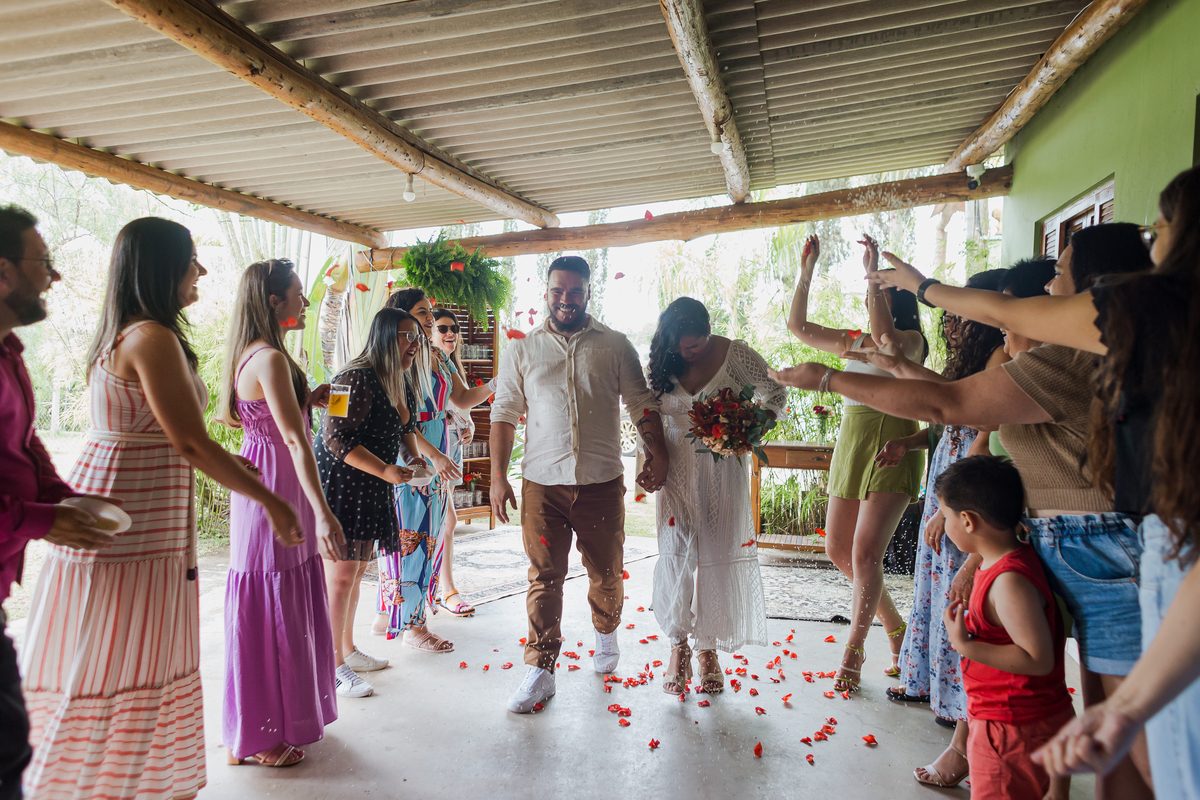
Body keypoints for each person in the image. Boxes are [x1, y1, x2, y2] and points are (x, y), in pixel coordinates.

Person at [779, 224, 1155, 797]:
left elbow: (946, 401)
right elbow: (950, 375)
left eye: (1062, 270)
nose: (1052, 280)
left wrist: (830, 378)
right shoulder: (1056, 354)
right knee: (1098, 724)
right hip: (1057, 541)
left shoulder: (1070, 360)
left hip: (1097, 546)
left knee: (1126, 736)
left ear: (1093, 288)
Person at [20, 217, 301, 800]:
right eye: (191, 260)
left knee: (112, 656)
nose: (199, 271)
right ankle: (106, 782)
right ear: (160, 267)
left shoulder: (125, 333)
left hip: (132, 511)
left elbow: (173, 434)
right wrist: (271, 500)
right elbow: (190, 442)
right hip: (133, 527)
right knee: (122, 657)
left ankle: (117, 781)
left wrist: (234, 467)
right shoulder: (150, 336)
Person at [1022, 166, 1200, 798]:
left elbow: (949, 405)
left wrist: (926, 288)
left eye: (1163, 230)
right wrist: (1124, 712)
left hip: (1131, 550)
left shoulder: (1125, 328)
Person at [490, 255, 669, 713]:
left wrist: (657, 451)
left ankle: (606, 634)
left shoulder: (615, 346)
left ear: (589, 292)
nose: (565, 300)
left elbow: (640, 403)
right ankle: (540, 668)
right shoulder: (523, 350)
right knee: (544, 577)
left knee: (606, 573)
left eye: (574, 292)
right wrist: (496, 478)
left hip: (600, 484)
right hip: (541, 485)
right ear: (545, 292)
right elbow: (504, 415)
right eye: (557, 291)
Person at [868, 268, 1009, 786]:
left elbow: (974, 429)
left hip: (968, 500)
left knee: (961, 596)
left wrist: (948, 509)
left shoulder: (1000, 359)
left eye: (959, 311)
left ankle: (959, 704)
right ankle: (939, 691)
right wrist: (910, 443)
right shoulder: (969, 361)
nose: (950, 321)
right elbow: (945, 421)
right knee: (937, 591)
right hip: (947, 492)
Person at [0, 206, 117, 800]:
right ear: (2, 274)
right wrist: (45, 521)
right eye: (43, 263)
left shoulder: (9, 351)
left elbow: (22, 444)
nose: (55, 276)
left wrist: (66, 499)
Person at [785, 233, 927, 691]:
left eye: (881, 291)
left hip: (893, 442)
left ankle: (854, 650)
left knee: (866, 554)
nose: (872, 298)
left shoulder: (910, 342)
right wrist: (806, 273)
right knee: (838, 550)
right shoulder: (858, 343)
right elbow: (799, 328)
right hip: (853, 444)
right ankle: (896, 628)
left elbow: (887, 339)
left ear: (894, 298)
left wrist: (872, 276)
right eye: (872, 291)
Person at [217, 258, 344, 767]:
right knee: (268, 604)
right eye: (297, 292)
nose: (305, 300)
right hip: (273, 486)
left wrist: (308, 398)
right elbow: (292, 438)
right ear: (273, 301)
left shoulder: (261, 355)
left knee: (276, 602)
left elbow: (275, 420)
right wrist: (323, 510)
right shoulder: (268, 358)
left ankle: (258, 728)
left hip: (266, 478)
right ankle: (258, 737)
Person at [646, 297, 787, 694]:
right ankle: (678, 645)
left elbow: (775, 392)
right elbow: (646, 412)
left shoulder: (735, 354)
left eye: (702, 341)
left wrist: (752, 428)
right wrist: (651, 454)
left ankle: (708, 649)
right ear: (670, 342)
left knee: (716, 555)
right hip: (676, 471)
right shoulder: (660, 364)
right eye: (687, 347)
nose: (696, 350)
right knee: (675, 554)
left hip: (723, 470)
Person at [937, 456, 1074, 800]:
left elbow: (1037, 658)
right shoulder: (1004, 561)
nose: (943, 523)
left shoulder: (1008, 581)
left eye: (945, 515)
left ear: (967, 521)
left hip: (1010, 728)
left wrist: (965, 644)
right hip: (1024, 720)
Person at [373, 289, 491, 649]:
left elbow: (462, 399)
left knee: (432, 532)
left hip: (441, 440)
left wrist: (501, 385)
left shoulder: (439, 355)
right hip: (412, 447)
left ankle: (395, 615)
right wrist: (432, 457)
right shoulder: (399, 358)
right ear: (401, 318)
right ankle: (411, 625)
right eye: (422, 312)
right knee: (410, 535)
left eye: (428, 312)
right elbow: (399, 419)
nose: (429, 318)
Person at [315, 307, 420, 699]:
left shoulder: (400, 377)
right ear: (383, 337)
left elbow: (405, 427)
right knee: (340, 578)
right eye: (405, 335)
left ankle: (347, 651)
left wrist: (411, 459)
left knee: (356, 574)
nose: (413, 344)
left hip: (372, 483)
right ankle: (330, 665)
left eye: (416, 337)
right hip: (341, 484)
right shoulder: (351, 377)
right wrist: (386, 470)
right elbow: (334, 438)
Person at [431, 307, 488, 618]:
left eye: (453, 328)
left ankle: (443, 589)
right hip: (431, 448)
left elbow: (460, 404)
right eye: (442, 328)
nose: (449, 333)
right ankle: (445, 590)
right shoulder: (424, 364)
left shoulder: (448, 364)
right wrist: (495, 385)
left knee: (446, 521)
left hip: (450, 447)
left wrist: (471, 426)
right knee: (446, 521)